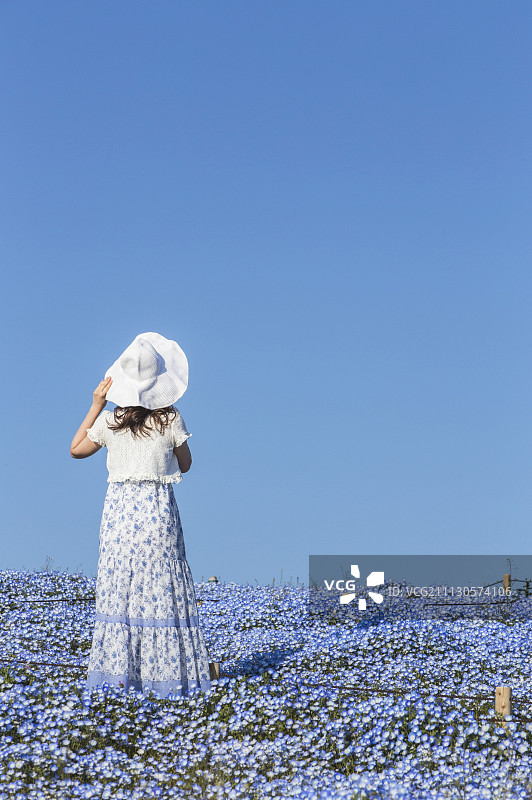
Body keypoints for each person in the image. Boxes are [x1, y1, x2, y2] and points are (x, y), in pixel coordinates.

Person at [70, 332, 212, 699]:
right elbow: (188, 464)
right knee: (162, 591)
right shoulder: (170, 419)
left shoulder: (110, 421)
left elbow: (76, 450)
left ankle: (122, 682)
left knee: (123, 591)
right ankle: (166, 680)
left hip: (119, 515)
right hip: (158, 512)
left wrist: (95, 403)